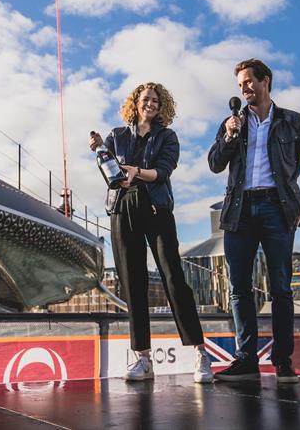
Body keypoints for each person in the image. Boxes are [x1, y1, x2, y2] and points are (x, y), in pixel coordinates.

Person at [208, 59, 300, 383]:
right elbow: (214, 164)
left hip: (278, 209)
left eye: (248, 81)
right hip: (239, 211)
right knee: (238, 289)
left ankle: (283, 362)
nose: (244, 88)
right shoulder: (233, 123)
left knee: (280, 288)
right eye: (239, 85)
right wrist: (229, 136)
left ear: (266, 81)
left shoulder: (294, 122)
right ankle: (245, 360)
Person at [89, 82, 213, 383]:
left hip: (156, 207)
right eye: (146, 99)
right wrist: (99, 151)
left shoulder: (167, 137)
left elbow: (163, 172)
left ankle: (200, 352)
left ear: (162, 106)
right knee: (133, 283)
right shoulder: (116, 136)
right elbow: (110, 173)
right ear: (135, 102)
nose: (151, 104)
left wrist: (136, 173)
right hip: (122, 208)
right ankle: (143, 358)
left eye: (156, 100)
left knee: (173, 278)